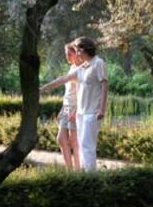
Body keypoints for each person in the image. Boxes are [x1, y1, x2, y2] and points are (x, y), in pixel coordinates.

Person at [40, 37, 108, 171]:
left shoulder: (98, 63)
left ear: (84, 49)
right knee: (82, 146)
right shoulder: (83, 67)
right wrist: (43, 88)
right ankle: (84, 175)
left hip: (92, 112)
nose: (76, 54)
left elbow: (104, 85)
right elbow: (64, 79)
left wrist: (102, 109)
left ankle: (90, 178)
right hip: (81, 113)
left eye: (77, 51)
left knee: (87, 146)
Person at [56, 43, 82, 170]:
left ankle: (77, 171)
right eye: (66, 54)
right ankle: (69, 169)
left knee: (74, 142)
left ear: (77, 53)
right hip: (66, 107)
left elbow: (82, 93)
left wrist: (76, 111)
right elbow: (68, 92)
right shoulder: (72, 67)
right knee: (61, 139)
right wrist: (63, 110)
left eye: (69, 54)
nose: (67, 56)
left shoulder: (81, 69)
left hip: (75, 108)